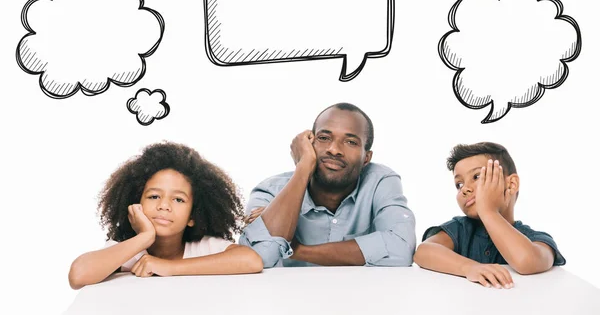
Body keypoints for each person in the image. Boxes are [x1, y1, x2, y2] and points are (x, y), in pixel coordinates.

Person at [239, 102, 416, 268]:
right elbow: (259, 254)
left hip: (363, 298)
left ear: (366, 159)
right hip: (288, 298)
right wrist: (303, 166)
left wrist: (296, 249)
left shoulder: (380, 182)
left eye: (351, 142)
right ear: (309, 144)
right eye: (324, 138)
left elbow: (401, 249)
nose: (334, 149)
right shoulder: (269, 191)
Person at [68, 142, 262, 289]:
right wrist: (145, 237)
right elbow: (78, 276)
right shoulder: (127, 251)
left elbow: (251, 260)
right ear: (135, 204)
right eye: (154, 196)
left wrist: (169, 267)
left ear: (193, 215)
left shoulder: (203, 247)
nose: (163, 206)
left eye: (178, 200)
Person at [414, 142, 565, 289]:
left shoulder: (535, 239)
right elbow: (423, 251)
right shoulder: (460, 229)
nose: (465, 189)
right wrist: (469, 268)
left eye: (477, 176)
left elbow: (526, 261)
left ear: (511, 185)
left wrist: (488, 211)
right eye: (459, 184)